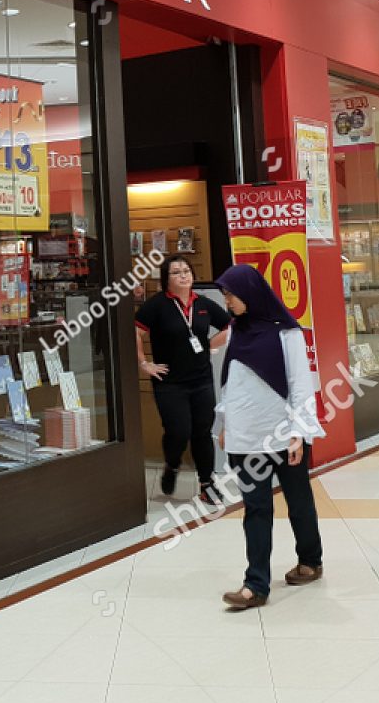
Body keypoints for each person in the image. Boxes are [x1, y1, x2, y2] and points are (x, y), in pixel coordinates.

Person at [215, 263, 324, 610]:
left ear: (249, 292)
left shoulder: (286, 333)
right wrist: (225, 424)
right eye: (225, 295)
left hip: (284, 434)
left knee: (299, 502)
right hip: (246, 437)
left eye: (230, 294)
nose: (227, 300)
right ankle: (255, 585)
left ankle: (311, 560)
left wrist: (298, 435)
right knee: (256, 508)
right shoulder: (235, 331)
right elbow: (233, 383)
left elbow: (300, 385)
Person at [135, 255, 231, 504]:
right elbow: (135, 332)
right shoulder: (156, 305)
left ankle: (207, 484)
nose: (183, 275)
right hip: (170, 382)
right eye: (176, 272)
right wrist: (144, 363)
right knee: (179, 431)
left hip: (201, 380)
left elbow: (230, 327)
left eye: (186, 270)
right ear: (166, 279)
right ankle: (172, 464)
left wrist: (209, 344)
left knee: (201, 432)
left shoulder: (203, 304)